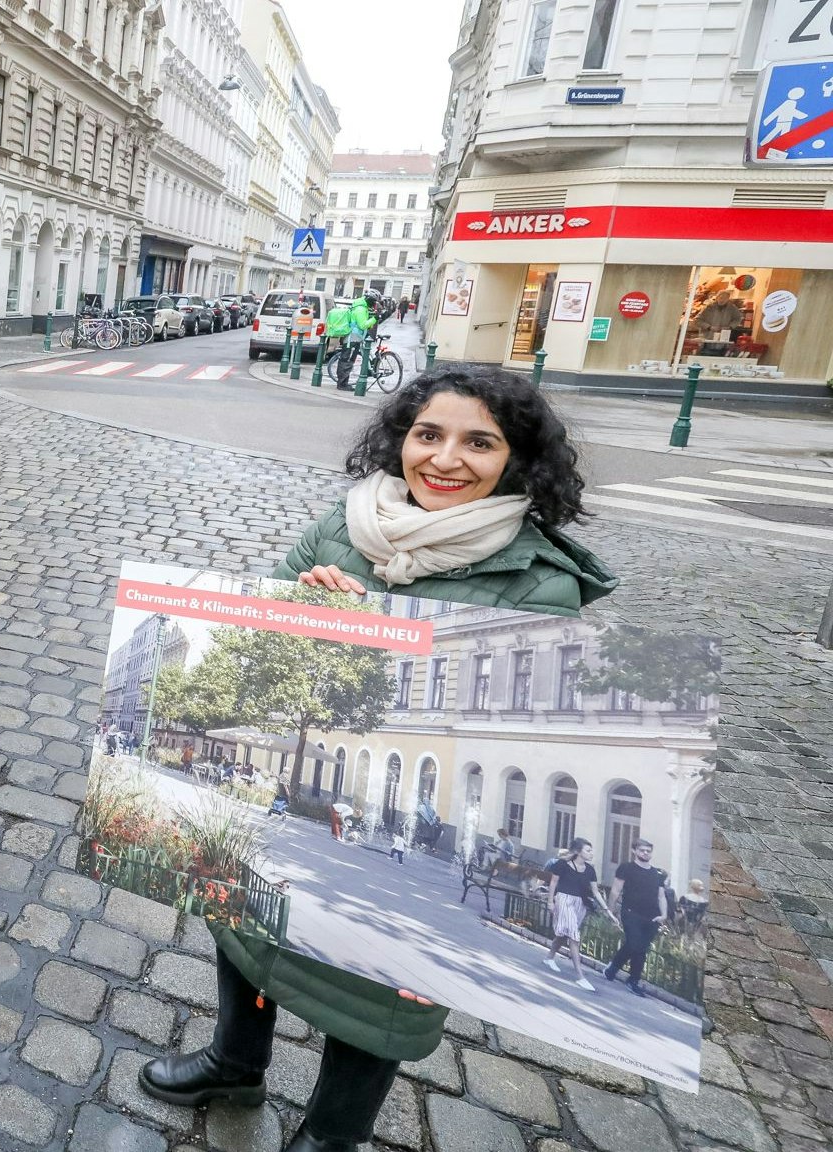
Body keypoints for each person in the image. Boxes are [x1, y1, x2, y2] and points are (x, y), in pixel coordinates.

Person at [138, 363, 617, 1152]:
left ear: (517, 460)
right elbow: (254, 621)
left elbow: (524, 719)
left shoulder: (538, 582)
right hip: (300, 777)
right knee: (248, 929)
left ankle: (332, 1135)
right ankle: (235, 1061)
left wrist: (386, 645)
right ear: (402, 439)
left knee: (378, 989)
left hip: (402, 799)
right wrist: (302, 606)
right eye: (429, 434)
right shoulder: (348, 524)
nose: (446, 459)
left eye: (479, 443)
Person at [601, 838, 673, 997]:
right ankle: (633, 981)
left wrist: (664, 915)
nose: (645, 853)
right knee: (636, 946)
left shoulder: (657, 873)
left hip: (652, 917)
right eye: (642, 850)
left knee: (638, 947)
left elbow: (661, 896)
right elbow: (615, 890)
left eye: (648, 851)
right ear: (634, 851)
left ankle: (615, 971)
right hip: (631, 912)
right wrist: (610, 911)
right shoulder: (626, 868)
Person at [544, 838, 615, 991]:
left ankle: (549, 958)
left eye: (591, 850)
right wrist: (550, 901)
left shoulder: (590, 870)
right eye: (588, 850)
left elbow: (595, 891)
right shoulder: (562, 864)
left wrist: (607, 911)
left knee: (564, 934)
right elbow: (553, 883)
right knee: (574, 936)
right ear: (577, 851)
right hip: (563, 899)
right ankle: (580, 976)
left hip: (580, 904)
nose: (591, 853)